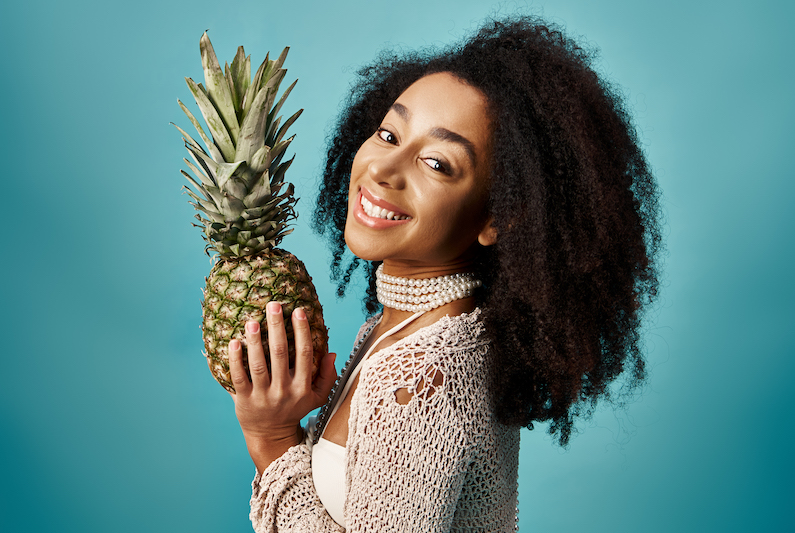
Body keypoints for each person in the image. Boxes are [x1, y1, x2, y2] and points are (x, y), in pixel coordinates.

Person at [227, 16, 661, 532]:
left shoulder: (423, 377)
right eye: (389, 133)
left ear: (498, 217)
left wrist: (272, 440)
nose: (384, 170)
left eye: (436, 163)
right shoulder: (419, 328)